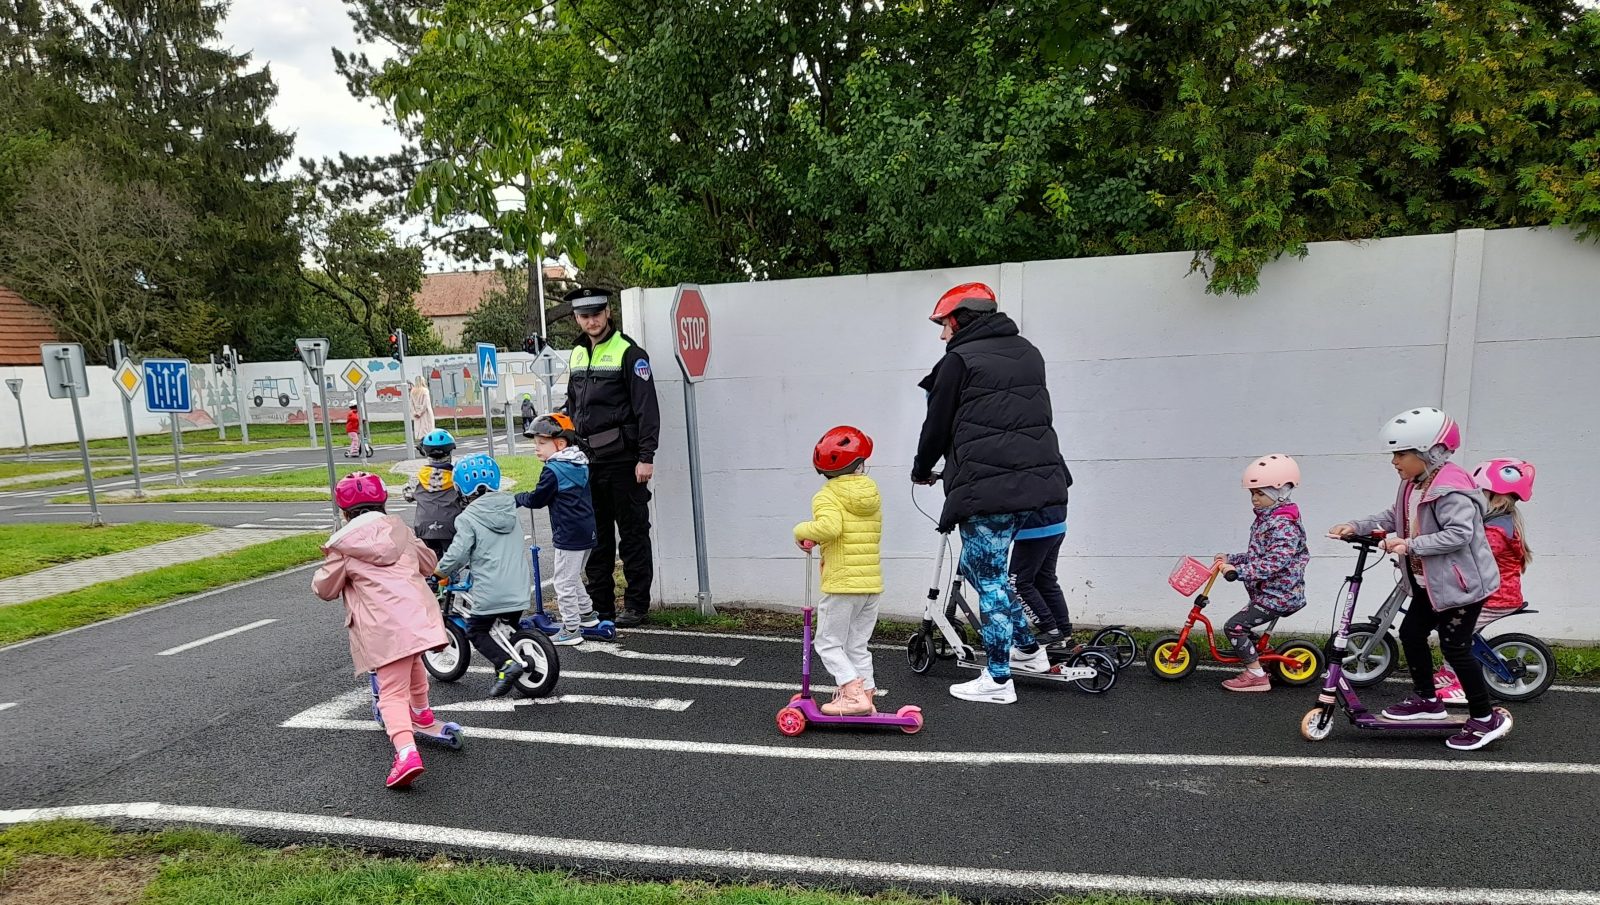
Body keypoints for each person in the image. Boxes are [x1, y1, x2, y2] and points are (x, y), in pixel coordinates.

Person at [911, 282, 1072, 704]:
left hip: (989, 489)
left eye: (944, 325)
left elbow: (936, 425)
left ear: (959, 319)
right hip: (1038, 484)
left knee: (990, 580)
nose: (942, 335)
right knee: (980, 570)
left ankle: (998, 680)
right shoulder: (1028, 352)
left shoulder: (959, 360)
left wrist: (922, 469)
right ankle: (1029, 652)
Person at [1329, 407, 1508, 751]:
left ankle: (1485, 719)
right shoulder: (1413, 483)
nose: (1394, 461)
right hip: (1431, 583)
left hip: (1462, 586)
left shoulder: (1452, 490)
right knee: (1411, 633)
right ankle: (1427, 699)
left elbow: (1459, 534)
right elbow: (1395, 516)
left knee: (1455, 648)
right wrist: (1356, 525)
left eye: (1401, 454)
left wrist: (1409, 544)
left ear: (1431, 452)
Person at [311, 472, 454, 789]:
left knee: (390, 693)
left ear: (345, 513)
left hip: (384, 629)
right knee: (414, 663)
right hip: (417, 618)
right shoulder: (401, 532)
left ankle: (406, 753)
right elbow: (428, 562)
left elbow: (324, 589)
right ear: (383, 504)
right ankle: (422, 713)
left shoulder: (344, 547)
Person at [561, 286, 660, 629]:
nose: (591, 321)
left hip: (624, 461)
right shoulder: (576, 354)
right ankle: (601, 606)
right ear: (577, 318)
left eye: (596, 314)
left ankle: (636, 605)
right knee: (596, 538)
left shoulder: (630, 353)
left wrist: (646, 456)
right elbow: (573, 405)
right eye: (584, 316)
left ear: (608, 313)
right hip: (587, 462)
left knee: (632, 535)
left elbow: (647, 409)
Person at [793, 426, 883, 716]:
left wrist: (801, 531)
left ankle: (852, 694)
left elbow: (829, 528)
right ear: (860, 464)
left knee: (827, 643)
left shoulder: (827, 495)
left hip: (843, 583)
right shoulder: (870, 493)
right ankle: (866, 694)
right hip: (870, 584)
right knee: (857, 644)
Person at [1433, 458, 1536, 704]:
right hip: (1488, 593)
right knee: (1451, 629)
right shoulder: (1495, 523)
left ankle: (1460, 684)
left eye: (1480, 494)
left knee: (1455, 635)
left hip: (1495, 597)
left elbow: (1472, 557)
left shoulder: (1496, 531)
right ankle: (1450, 673)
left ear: (1497, 499)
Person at [434, 453, 535, 697]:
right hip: (520, 586)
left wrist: (439, 572)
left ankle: (505, 665)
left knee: (476, 630)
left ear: (461, 489)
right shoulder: (509, 508)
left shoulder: (467, 518)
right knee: (507, 627)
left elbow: (458, 554)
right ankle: (514, 659)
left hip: (492, 591)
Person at [1213, 454, 1310, 693]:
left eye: (1260, 493)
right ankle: (1258, 659)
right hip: (1269, 593)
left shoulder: (1283, 525)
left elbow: (1274, 562)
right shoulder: (1267, 519)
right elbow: (1258, 555)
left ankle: (1256, 676)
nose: (1254, 499)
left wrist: (1238, 572)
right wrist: (1231, 558)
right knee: (1243, 627)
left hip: (1279, 596)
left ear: (1280, 493)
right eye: (1252, 494)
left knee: (1234, 627)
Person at [516, 413, 599, 646]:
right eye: (535, 443)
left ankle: (571, 628)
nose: (536, 448)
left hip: (568, 533)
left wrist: (519, 498)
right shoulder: (579, 463)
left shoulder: (553, 470)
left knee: (562, 582)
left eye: (542, 443)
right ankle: (587, 615)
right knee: (572, 576)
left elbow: (538, 499)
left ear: (560, 443)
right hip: (586, 530)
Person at [1010, 504, 1072, 648]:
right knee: (1045, 581)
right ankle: (1064, 634)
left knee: (1018, 583)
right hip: (1056, 522)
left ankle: (1051, 631)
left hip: (1033, 528)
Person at [403, 429, 464, 558]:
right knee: (452, 559)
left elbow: (407, 496)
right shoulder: (457, 478)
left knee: (429, 560)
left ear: (426, 452)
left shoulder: (418, 478)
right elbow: (464, 499)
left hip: (424, 528)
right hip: (451, 527)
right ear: (450, 452)